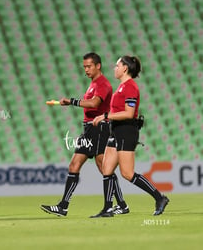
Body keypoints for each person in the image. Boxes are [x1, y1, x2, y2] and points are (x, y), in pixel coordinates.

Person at [41, 52, 129, 217]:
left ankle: (122, 204)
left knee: (104, 167)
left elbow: (95, 104)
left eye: (89, 66)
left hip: (99, 128)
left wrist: (72, 101)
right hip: (88, 130)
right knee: (74, 165)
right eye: (84, 67)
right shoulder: (93, 84)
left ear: (98, 66)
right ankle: (63, 206)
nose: (86, 70)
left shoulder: (103, 84)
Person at [90, 56, 169, 217]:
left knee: (127, 173)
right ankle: (107, 208)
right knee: (106, 169)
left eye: (117, 65)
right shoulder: (121, 87)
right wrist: (107, 118)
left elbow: (129, 113)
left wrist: (106, 116)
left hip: (127, 131)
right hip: (116, 130)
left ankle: (159, 198)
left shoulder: (130, 87)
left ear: (125, 68)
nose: (115, 68)